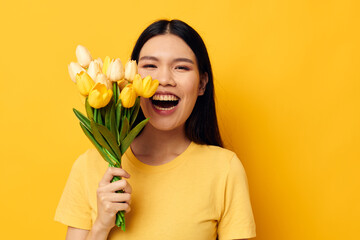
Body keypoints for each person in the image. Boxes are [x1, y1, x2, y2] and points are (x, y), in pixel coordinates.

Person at [55, 19, 256, 240]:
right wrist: (102, 225)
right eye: (151, 66)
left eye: (181, 67)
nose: (164, 79)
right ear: (131, 78)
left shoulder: (224, 169)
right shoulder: (89, 167)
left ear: (202, 84)